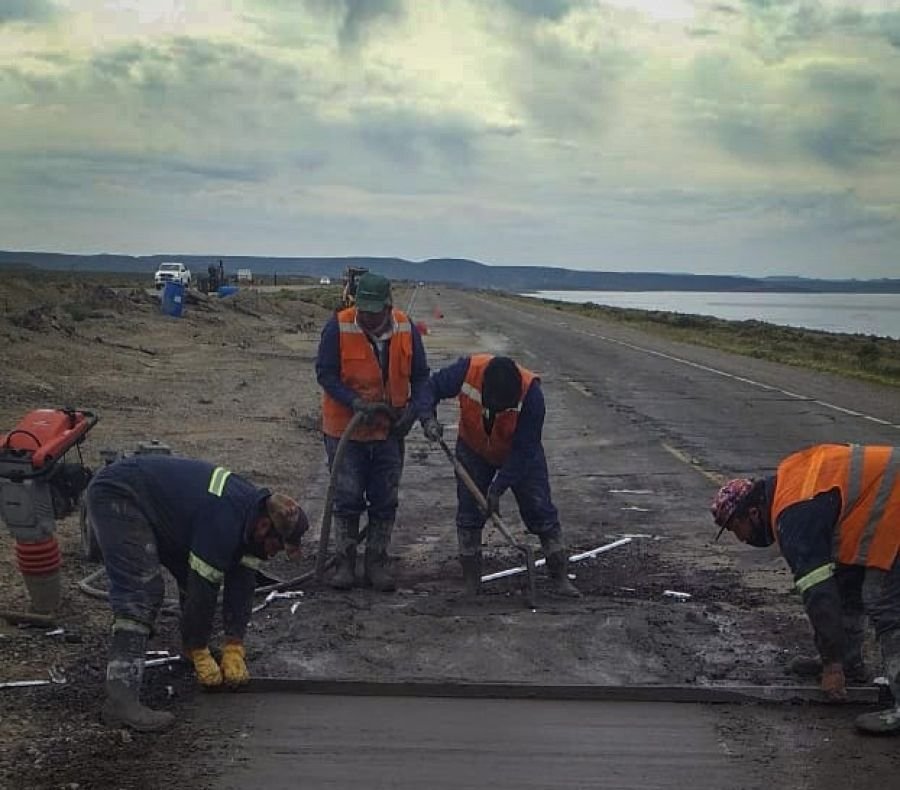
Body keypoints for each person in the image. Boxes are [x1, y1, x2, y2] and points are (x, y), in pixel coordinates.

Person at [84, 455, 309, 732]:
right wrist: (200, 648)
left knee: (192, 579)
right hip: (121, 496)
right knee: (141, 593)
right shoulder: (226, 519)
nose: (274, 554)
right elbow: (204, 589)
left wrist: (234, 645)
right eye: (277, 545)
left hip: (165, 514)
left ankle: (190, 649)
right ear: (264, 527)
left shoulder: (252, 520)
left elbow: (242, 584)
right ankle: (121, 699)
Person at [710, 443, 900, 734]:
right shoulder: (789, 484)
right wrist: (838, 660)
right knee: (851, 584)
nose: (742, 540)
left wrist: (831, 667)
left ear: (752, 514)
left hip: (894, 505)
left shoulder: (792, 516)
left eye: (736, 529)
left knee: (886, 606)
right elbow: (841, 585)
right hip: (887, 506)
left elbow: (819, 594)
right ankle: (851, 663)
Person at [422, 354, 580, 598]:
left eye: (505, 407)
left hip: (518, 452)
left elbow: (524, 451)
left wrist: (497, 489)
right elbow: (429, 388)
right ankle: (471, 582)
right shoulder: (468, 371)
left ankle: (559, 576)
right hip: (473, 448)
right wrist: (428, 418)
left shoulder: (532, 396)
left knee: (540, 510)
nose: (499, 410)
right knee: (469, 514)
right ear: (485, 387)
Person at [316, 272, 431, 591]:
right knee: (347, 497)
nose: (366, 317)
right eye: (362, 310)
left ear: (388, 306)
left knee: (384, 499)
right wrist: (354, 402)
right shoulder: (338, 326)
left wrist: (413, 411)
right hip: (346, 432)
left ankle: (376, 562)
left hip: (389, 432)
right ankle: (345, 563)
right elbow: (325, 374)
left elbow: (421, 377)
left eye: (373, 311)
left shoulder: (406, 328)